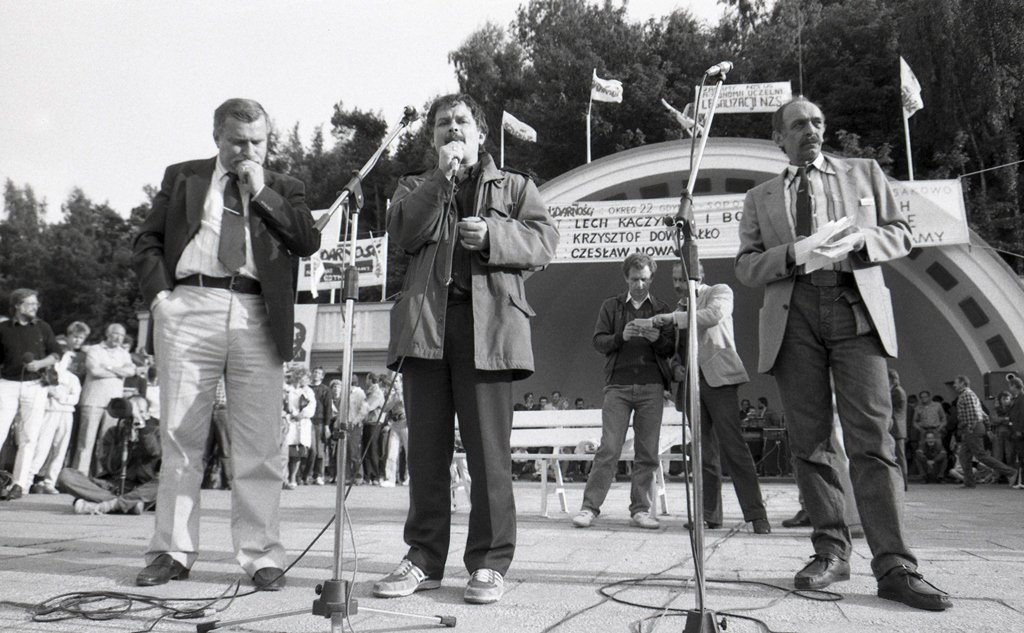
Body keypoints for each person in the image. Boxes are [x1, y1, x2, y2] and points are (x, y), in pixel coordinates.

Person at [734, 97, 950, 610]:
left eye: (817, 122)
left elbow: (900, 231)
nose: (810, 130)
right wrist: (794, 253)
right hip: (795, 311)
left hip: (855, 304)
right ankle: (830, 550)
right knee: (810, 441)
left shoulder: (863, 172)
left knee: (872, 439)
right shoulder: (760, 196)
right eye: (798, 125)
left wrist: (858, 242)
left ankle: (895, 564)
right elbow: (745, 265)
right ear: (779, 140)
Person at [373, 93, 557, 605]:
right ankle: (424, 559)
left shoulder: (516, 186)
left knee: (488, 457)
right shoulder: (414, 186)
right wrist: (440, 179)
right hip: (426, 328)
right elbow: (406, 232)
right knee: (426, 455)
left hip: (490, 330)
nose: (451, 129)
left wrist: (494, 235)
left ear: (480, 133)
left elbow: (545, 242)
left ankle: (490, 563)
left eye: (460, 122)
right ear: (432, 138)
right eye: (441, 125)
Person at [131, 97, 319, 590]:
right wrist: (160, 300)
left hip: (257, 313)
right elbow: (147, 241)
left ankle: (261, 555)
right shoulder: (183, 177)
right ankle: (171, 550)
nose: (248, 151)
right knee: (180, 437)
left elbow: (306, 240)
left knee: (259, 443)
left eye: (258, 142)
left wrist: (263, 193)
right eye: (238, 142)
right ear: (217, 136)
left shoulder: (285, 186)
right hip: (190, 306)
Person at [653, 261, 770, 533]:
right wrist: (675, 367)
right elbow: (672, 351)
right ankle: (709, 514)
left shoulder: (719, 292)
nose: (678, 285)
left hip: (719, 380)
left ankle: (756, 514)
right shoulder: (678, 310)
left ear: (698, 275)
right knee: (702, 453)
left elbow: (713, 315)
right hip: (692, 385)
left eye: (683, 278)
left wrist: (674, 318)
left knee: (734, 448)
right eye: (675, 280)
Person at [572, 253, 674, 531]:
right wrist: (621, 337)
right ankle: (589, 508)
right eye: (634, 279)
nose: (639, 284)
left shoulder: (662, 308)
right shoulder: (612, 307)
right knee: (609, 448)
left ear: (651, 278)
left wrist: (658, 340)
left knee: (647, 452)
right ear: (625, 278)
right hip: (618, 385)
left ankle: (640, 509)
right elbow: (598, 341)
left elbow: (671, 348)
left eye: (644, 279)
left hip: (652, 386)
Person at [0, 289, 62, 500]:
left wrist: (40, 364)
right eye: (30, 304)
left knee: (29, 436)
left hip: (35, 385)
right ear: (17, 305)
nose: (35, 307)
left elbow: (56, 354)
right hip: (7, 383)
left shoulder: (43, 327)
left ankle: (19, 484)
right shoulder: (3, 328)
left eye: (36, 304)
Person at [57, 395, 160, 515]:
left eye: (140, 411)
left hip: (144, 486)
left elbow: (154, 452)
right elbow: (110, 466)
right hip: (113, 487)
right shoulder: (114, 432)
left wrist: (143, 432)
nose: (134, 415)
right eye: (131, 411)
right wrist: (125, 442)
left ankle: (108, 505)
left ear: (147, 414)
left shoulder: (157, 432)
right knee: (66, 475)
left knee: (165, 481)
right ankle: (128, 505)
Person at [74, 323, 137, 477]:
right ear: (108, 334)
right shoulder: (95, 350)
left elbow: (131, 371)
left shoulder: (124, 354)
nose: (118, 338)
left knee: (107, 442)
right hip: (93, 400)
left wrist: (108, 368)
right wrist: (119, 371)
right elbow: (94, 371)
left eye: (121, 335)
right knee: (86, 442)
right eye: (115, 334)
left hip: (113, 404)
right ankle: (78, 476)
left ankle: (102, 476)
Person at [29, 338, 83, 495]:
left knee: (60, 449)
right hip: (49, 413)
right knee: (41, 447)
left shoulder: (72, 378)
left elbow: (75, 399)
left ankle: (50, 482)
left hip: (66, 415)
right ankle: (28, 479)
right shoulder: (45, 374)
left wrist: (60, 397)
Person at [952, 375, 1015, 488]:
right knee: (963, 456)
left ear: (962, 383)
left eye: (956, 383)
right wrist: (988, 428)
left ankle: (1010, 472)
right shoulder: (970, 394)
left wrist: (971, 428)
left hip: (972, 427)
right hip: (974, 427)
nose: (954, 385)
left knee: (981, 455)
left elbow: (974, 414)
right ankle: (969, 482)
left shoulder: (966, 394)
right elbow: (982, 413)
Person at [303, 366, 332, 486]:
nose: (316, 374)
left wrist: (326, 425)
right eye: (314, 372)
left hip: (320, 422)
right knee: (311, 449)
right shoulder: (306, 388)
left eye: (318, 373)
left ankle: (318, 475)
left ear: (322, 376)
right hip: (308, 421)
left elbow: (328, 409)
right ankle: (306, 475)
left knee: (320, 451)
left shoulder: (325, 390)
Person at [888, 368, 909, 487]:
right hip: (898, 427)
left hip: (896, 427)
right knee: (899, 455)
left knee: (900, 456)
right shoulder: (897, 390)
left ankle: (903, 482)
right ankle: (902, 481)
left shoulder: (896, 391)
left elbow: (890, 408)